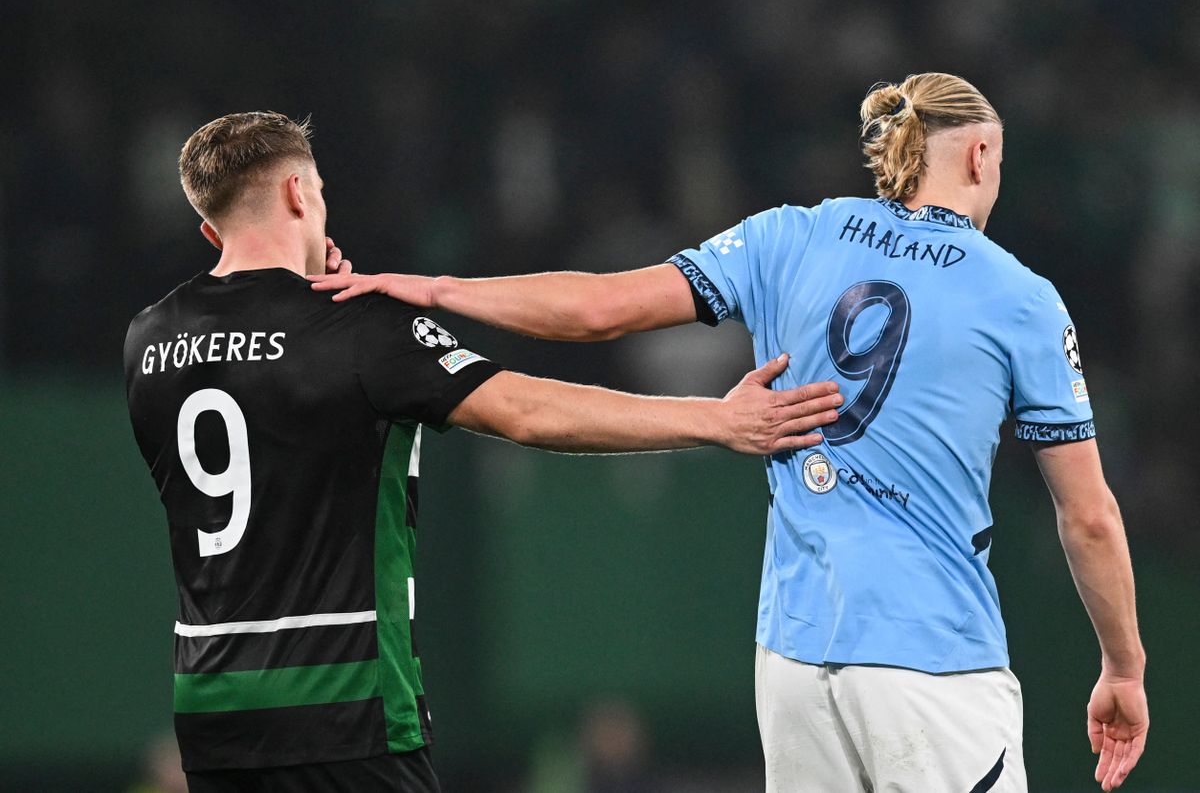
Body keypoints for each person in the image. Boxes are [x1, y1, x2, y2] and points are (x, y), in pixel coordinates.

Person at [310, 73, 1149, 792]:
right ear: (979, 154)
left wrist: (437, 288)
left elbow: (601, 308)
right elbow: (1089, 516)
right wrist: (1123, 667)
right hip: (932, 658)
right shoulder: (1022, 297)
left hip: (791, 661)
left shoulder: (791, 233)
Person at [123, 111, 841, 793]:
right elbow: (528, 413)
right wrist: (715, 419)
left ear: (208, 227)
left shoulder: (149, 340)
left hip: (212, 709)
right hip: (343, 704)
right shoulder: (358, 329)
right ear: (296, 191)